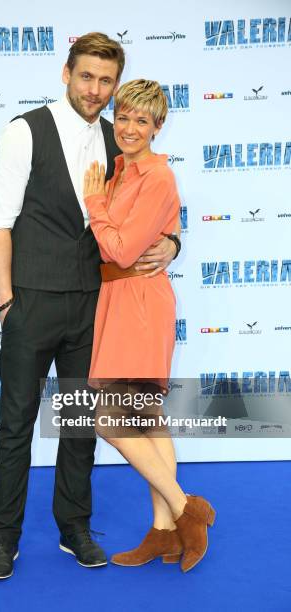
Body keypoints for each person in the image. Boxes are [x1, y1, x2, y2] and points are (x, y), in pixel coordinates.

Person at [0, 33, 180, 580]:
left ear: (116, 87)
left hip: (95, 308)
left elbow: (154, 212)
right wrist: (6, 305)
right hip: (31, 303)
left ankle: (75, 528)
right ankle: (4, 540)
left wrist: (175, 243)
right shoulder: (24, 132)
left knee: (78, 426)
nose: (95, 90)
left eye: (106, 81)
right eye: (87, 76)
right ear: (66, 72)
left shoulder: (122, 143)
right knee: (16, 426)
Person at [83, 79, 215, 573]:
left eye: (142, 120)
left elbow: (119, 248)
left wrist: (94, 203)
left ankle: (186, 512)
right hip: (120, 299)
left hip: (139, 303)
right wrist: (172, 241)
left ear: (159, 126)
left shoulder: (155, 176)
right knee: (147, 421)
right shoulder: (121, 170)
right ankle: (164, 533)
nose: (130, 128)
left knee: (110, 421)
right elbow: (157, 232)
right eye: (123, 118)